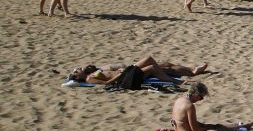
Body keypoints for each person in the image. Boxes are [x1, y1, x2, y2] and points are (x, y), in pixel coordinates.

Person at [69, 57, 208, 84]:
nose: (78, 69)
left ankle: (192, 70)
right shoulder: (89, 79)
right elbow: (107, 83)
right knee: (153, 64)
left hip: (128, 71)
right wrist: (121, 74)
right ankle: (178, 79)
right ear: (78, 77)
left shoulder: (92, 71)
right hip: (126, 77)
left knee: (163, 64)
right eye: (76, 71)